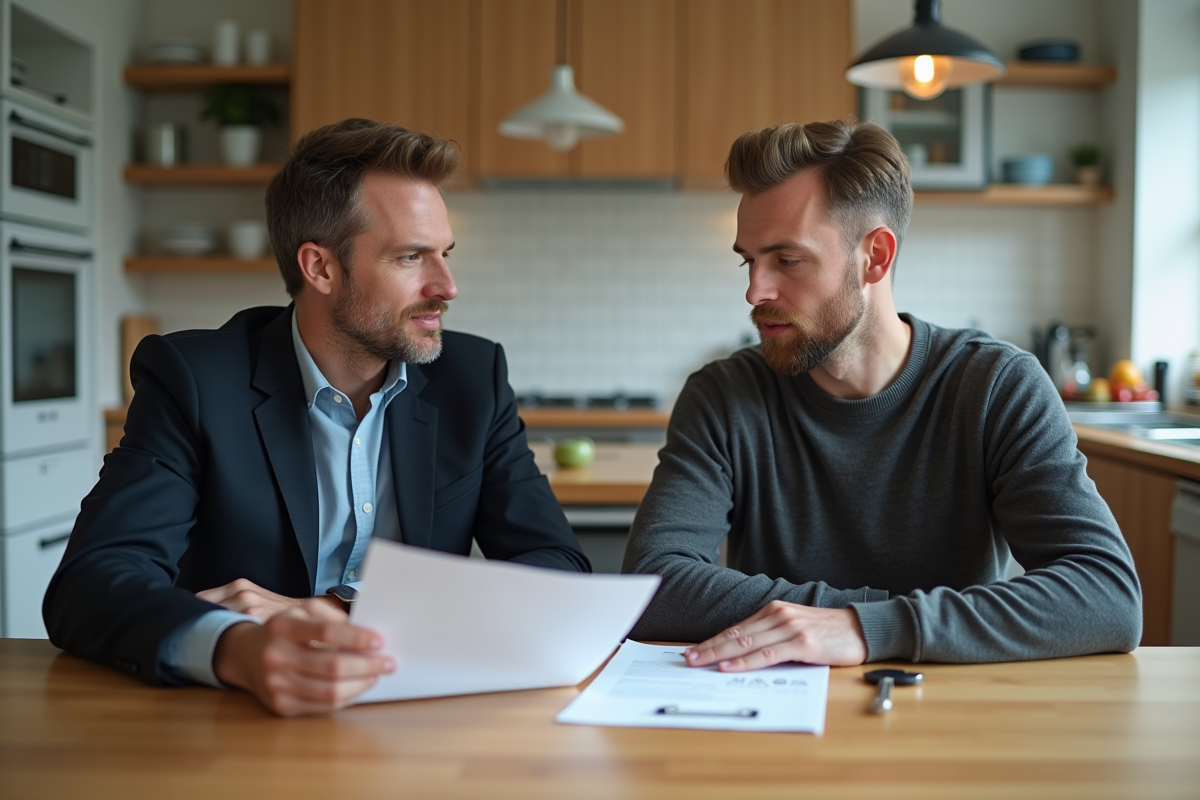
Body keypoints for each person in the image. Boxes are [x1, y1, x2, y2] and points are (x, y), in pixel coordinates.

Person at [44, 119, 589, 715]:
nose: (447, 286)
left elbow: (558, 570)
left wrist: (343, 609)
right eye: (412, 257)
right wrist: (236, 650)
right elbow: (91, 582)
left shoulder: (472, 379)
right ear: (320, 268)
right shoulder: (196, 380)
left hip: (419, 713)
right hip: (239, 721)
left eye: (445, 255)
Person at [622, 118, 1141, 671]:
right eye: (749, 261)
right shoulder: (724, 396)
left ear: (875, 257)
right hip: (774, 702)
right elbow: (653, 585)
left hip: (952, 705)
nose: (755, 291)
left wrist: (863, 627)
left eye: (787, 260)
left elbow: (1106, 595)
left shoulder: (996, 386)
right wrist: (855, 620)